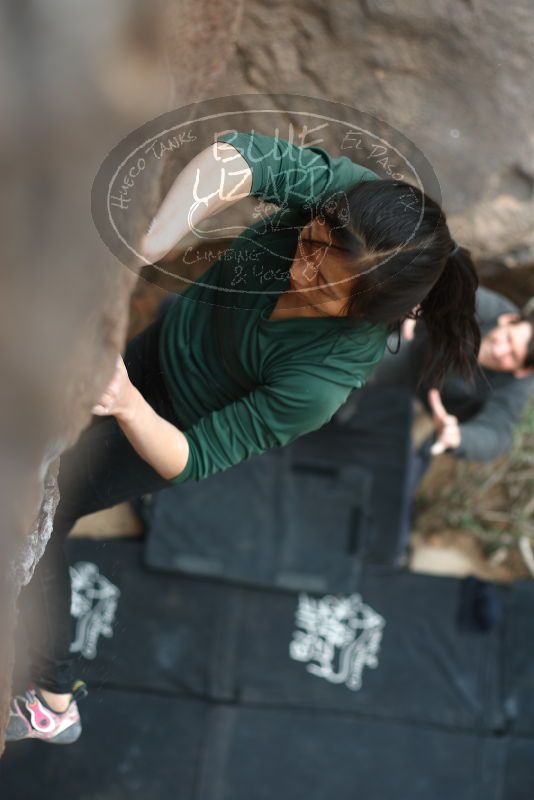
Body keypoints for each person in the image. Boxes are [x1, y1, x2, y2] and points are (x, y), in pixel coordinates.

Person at [6, 129, 480, 744]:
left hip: (171, 423)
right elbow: (239, 159)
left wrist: (125, 403)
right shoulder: (344, 206)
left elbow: (194, 457)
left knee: (50, 512)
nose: (299, 268)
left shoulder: (320, 381)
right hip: (169, 341)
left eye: (325, 285)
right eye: (308, 245)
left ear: (370, 311)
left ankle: (53, 696)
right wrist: (143, 248)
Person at [362, 287, 534, 479]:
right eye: (508, 339)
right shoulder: (484, 306)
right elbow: (441, 279)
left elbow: (497, 435)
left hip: (435, 403)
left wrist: (459, 438)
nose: (500, 351)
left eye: (513, 356)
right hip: (414, 349)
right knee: (363, 359)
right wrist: (419, 299)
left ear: (523, 371)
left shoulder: (515, 388)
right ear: (509, 320)